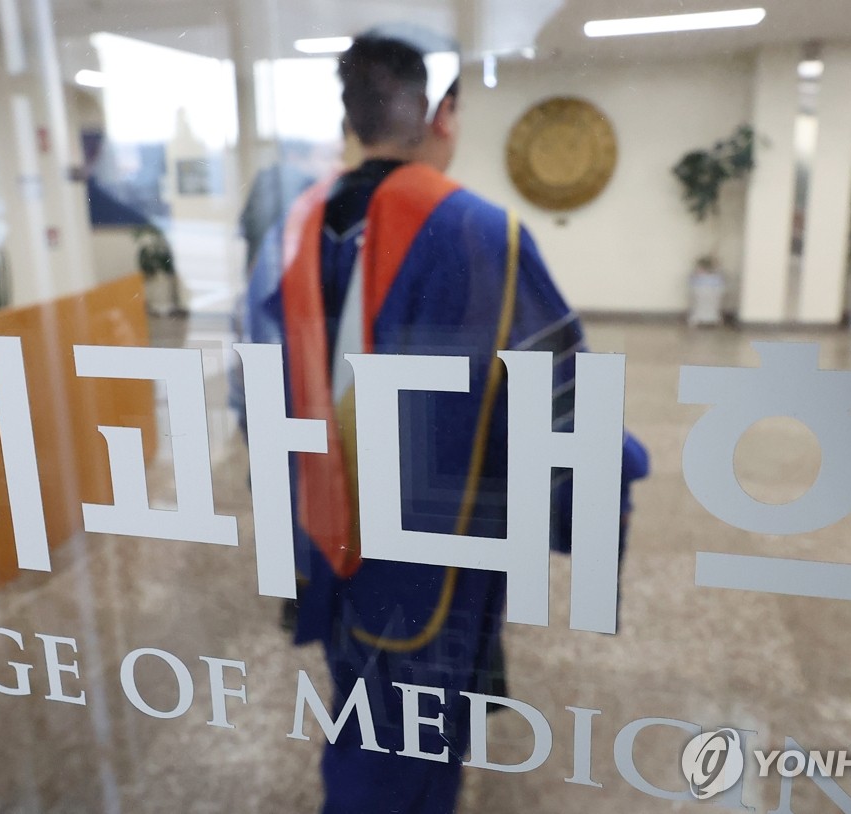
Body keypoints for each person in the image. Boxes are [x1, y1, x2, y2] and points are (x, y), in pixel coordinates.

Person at [242, 30, 648, 813]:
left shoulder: (291, 232)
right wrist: (609, 486)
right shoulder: (478, 233)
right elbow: (565, 401)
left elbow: (253, 391)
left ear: (352, 117)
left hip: (322, 535)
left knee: (361, 704)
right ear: (443, 115)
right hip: (433, 550)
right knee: (410, 746)